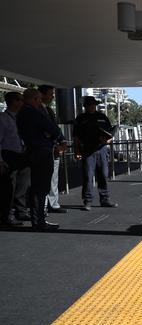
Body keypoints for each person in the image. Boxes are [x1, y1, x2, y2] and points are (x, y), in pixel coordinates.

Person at [16, 89, 64, 230]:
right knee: (41, 188)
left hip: (30, 151)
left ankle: (37, 219)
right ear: (35, 99)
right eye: (38, 99)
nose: (39, 102)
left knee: (34, 187)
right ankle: (39, 222)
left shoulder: (21, 114)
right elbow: (54, 129)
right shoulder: (34, 113)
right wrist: (51, 136)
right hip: (42, 153)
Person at [73, 96, 117, 211]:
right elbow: (76, 137)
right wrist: (76, 150)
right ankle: (87, 201)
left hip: (102, 149)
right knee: (88, 176)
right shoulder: (80, 118)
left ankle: (105, 199)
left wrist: (108, 140)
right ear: (85, 106)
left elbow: (111, 133)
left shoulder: (102, 117)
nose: (92, 106)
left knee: (103, 175)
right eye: (89, 105)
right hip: (87, 150)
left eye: (94, 104)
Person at [38, 85, 67, 214]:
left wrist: (62, 141)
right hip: (44, 149)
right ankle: (43, 207)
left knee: (53, 178)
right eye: (50, 94)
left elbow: (55, 128)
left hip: (54, 148)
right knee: (44, 179)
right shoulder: (37, 110)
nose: (53, 96)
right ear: (41, 95)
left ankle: (53, 204)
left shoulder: (49, 110)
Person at [0, 92, 27, 227]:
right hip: (8, 155)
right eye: (21, 100)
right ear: (14, 102)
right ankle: (7, 216)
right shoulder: (3, 118)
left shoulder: (21, 118)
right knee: (9, 188)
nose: (23, 102)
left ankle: (20, 211)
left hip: (21, 155)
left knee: (22, 185)